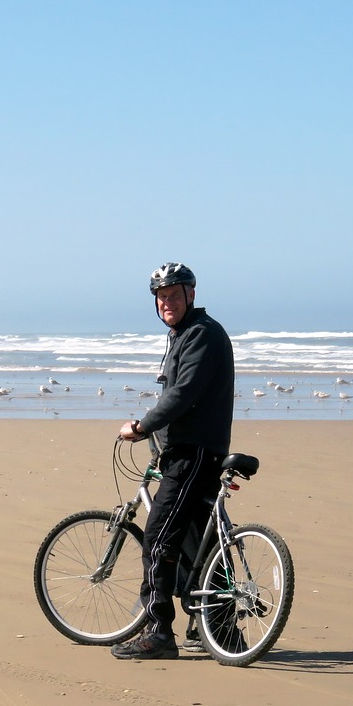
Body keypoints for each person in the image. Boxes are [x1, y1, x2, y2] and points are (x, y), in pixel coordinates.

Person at [112, 262, 235, 660]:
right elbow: (178, 395)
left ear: (191, 295)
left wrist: (142, 426)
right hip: (188, 451)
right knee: (199, 541)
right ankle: (217, 626)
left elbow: (182, 395)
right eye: (161, 297)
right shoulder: (183, 335)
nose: (167, 302)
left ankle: (159, 633)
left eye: (174, 295)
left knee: (158, 537)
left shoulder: (200, 335)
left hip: (193, 453)